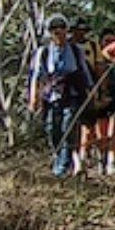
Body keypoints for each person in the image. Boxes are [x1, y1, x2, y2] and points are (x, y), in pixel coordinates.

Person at [28, 13, 93, 178]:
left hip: (72, 96)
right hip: (52, 97)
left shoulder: (76, 51)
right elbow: (36, 76)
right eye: (54, 30)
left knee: (68, 127)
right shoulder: (42, 53)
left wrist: (91, 92)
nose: (59, 33)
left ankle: (62, 169)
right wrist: (33, 98)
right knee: (52, 129)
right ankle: (62, 159)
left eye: (62, 28)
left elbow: (84, 73)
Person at [83, 25, 115, 175]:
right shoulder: (96, 57)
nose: (110, 44)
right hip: (100, 95)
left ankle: (112, 160)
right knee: (100, 131)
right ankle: (101, 158)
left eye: (113, 41)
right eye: (107, 41)